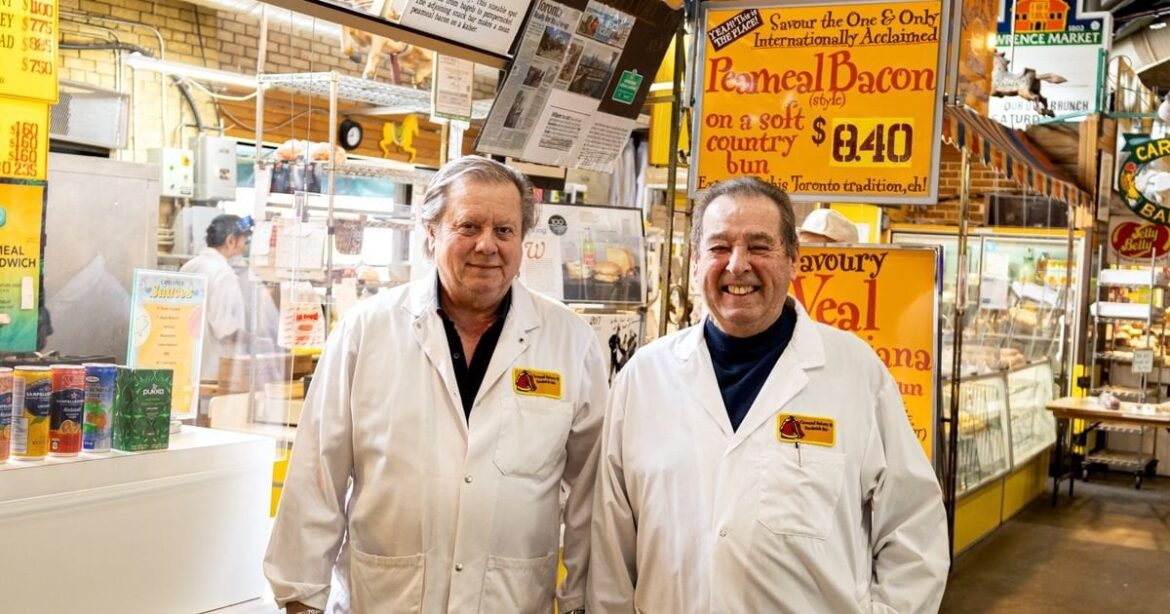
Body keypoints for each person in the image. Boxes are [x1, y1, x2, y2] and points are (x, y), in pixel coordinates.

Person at [588, 177, 949, 613]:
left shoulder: (855, 373)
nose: (737, 265)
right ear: (697, 260)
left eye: (759, 247)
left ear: (793, 260)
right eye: (720, 247)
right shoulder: (645, 377)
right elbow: (611, 541)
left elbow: (915, 529)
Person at [265, 156, 607, 614]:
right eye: (468, 226)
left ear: (523, 241)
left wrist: (583, 601)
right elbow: (316, 473)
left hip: (510, 601)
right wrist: (300, 596)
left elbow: (591, 492)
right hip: (385, 599)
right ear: (431, 233)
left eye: (505, 231)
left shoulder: (570, 342)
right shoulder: (367, 331)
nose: (487, 245)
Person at [180, 213, 253, 381]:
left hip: (188, 368)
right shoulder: (223, 273)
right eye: (243, 241)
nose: (244, 247)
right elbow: (226, 330)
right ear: (230, 241)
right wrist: (258, 342)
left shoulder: (190, 266)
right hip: (212, 373)